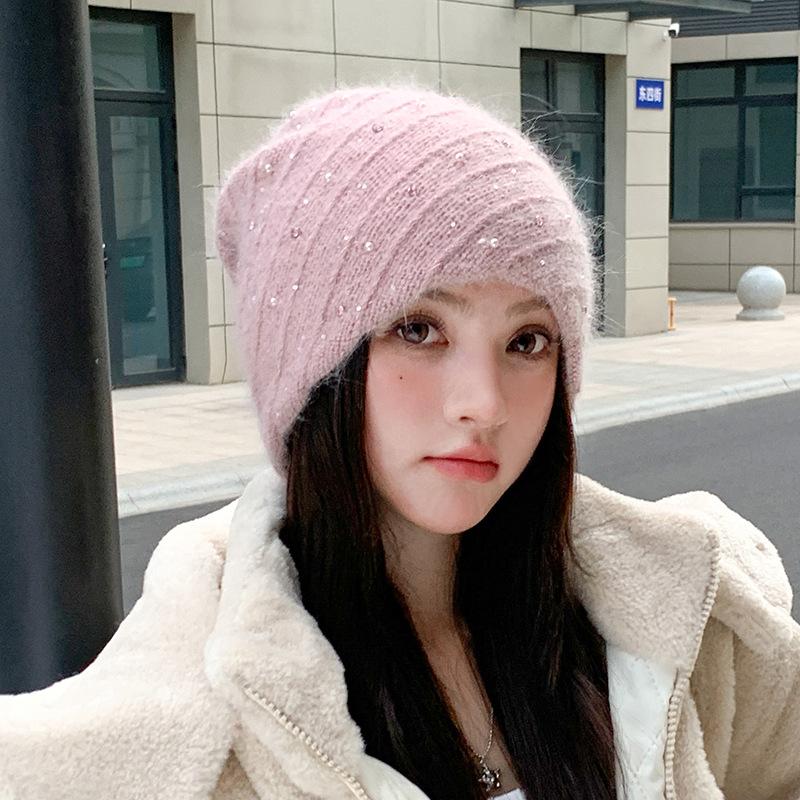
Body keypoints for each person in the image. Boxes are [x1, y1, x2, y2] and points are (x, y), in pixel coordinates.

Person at [1, 83, 799, 800]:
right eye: (419, 329)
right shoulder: (196, 717)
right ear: (315, 367)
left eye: (527, 341)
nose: (483, 404)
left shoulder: (683, 616)